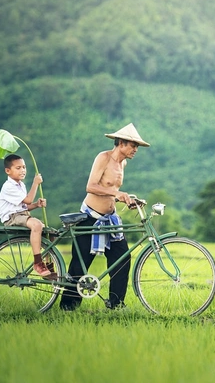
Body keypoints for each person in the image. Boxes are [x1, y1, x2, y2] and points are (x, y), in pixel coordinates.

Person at [59, 123, 150, 311]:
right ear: (121, 143)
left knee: (122, 258)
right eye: (133, 145)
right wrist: (117, 194)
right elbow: (91, 186)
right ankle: (68, 307)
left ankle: (116, 305)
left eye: (137, 147)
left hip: (110, 219)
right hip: (90, 217)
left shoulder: (123, 163)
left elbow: (111, 191)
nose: (135, 150)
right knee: (80, 264)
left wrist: (126, 199)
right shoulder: (103, 158)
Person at [0, 154, 53, 278]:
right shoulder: (8, 186)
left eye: (24, 167)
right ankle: (38, 262)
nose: (22, 170)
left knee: (50, 233)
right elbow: (28, 200)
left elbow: (25, 206)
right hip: (12, 218)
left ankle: (50, 264)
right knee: (37, 225)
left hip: (21, 215)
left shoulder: (21, 185)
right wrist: (35, 183)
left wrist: (36, 204)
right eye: (18, 168)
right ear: (8, 171)